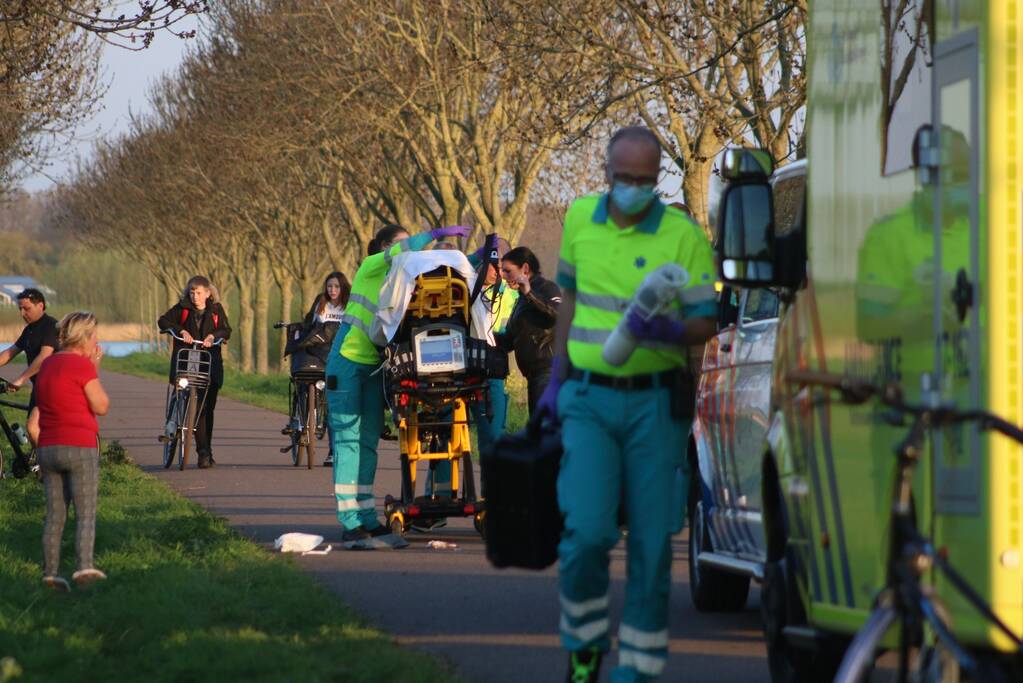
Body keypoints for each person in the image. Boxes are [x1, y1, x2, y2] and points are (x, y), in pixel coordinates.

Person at [540, 126, 717, 682]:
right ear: (607, 176)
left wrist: (665, 326)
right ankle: (586, 644)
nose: (634, 189)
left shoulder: (683, 237)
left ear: (658, 178)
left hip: (654, 407)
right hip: (589, 401)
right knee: (587, 533)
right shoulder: (579, 223)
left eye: (645, 180)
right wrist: (554, 381)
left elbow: (705, 320)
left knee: (650, 546)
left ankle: (636, 671)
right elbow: (568, 301)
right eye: (625, 179)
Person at [326, 223, 472, 547]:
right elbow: (402, 252)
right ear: (384, 249)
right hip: (348, 362)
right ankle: (350, 522)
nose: (411, 251)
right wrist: (434, 234)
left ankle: (366, 518)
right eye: (403, 245)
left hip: (375, 368)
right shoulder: (371, 266)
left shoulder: (405, 283)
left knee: (367, 443)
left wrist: (477, 257)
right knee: (349, 443)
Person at [26, 312, 110, 591]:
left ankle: (51, 573)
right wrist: (94, 367)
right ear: (85, 338)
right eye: (95, 336)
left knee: (55, 514)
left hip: (48, 448)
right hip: (79, 445)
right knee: (85, 512)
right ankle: (84, 567)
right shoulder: (82, 367)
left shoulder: (47, 365)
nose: (97, 342)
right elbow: (100, 405)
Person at [157, 276, 232, 469]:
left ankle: (206, 450)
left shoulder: (216, 310)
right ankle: (203, 453)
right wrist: (180, 331)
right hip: (187, 360)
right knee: (194, 404)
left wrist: (213, 336)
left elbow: (226, 330)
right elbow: (163, 321)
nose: (195, 296)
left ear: (208, 293)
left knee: (207, 409)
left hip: (210, 362)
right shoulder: (182, 309)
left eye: (199, 292)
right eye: (192, 292)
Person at [499, 246, 561, 415]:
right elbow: (509, 340)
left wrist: (530, 293)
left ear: (525, 269)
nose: (503, 276)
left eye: (508, 271)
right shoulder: (520, 300)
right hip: (533, 376)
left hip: (549, 372)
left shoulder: (546, 288)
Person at [302, 271, 351, 466]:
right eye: (329, 286)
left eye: (336, 286)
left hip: (341, 357)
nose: (332, 290)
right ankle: (307, 419)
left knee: (333, 407)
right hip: (320, 354)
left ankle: (333, 451)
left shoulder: (349, 305)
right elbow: (311, 326)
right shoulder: (320, 303)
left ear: (343, 287)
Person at [0, 288, 59, 409]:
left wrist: (21, 379)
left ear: (41, 306)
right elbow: (10, 352)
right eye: (20, 309)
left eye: (27, 309)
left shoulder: (51, 326)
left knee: (34, 427)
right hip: (39, 386)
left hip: (55, 387)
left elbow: (44, 356)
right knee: (32, 426)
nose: (22, 314)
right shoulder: (29, 330)